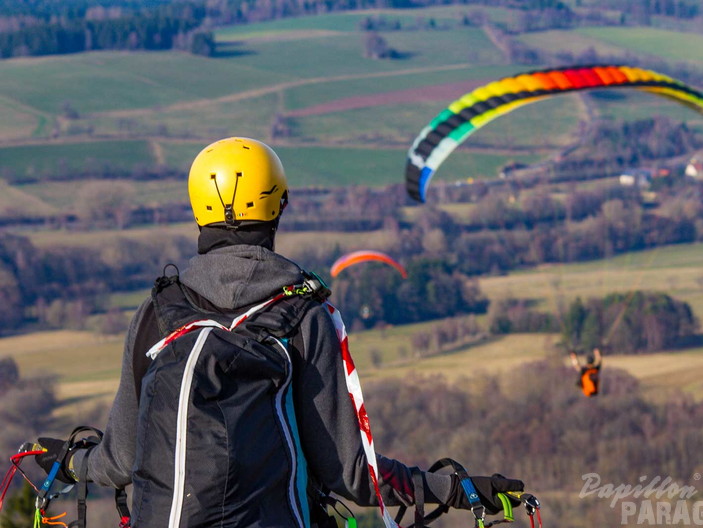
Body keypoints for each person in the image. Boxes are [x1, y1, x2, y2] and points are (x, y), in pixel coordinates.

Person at [33, 137, 525, 527]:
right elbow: (352, 474)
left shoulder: (158, 313)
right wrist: (456, 490)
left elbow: (120, 460)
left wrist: (73, 465)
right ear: (277, 206)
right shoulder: (305, 315)